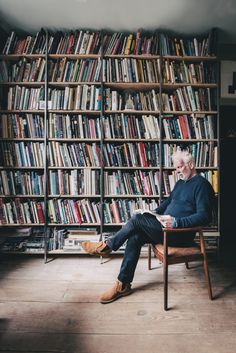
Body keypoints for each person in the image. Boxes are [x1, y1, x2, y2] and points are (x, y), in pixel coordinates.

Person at [81, 149, 215, 304]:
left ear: (191, 164)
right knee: (135, 236)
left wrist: (177, 222)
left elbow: (205, 217)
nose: (177, 171)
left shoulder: (202, 185)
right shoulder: (180, 183)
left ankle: (107, 246)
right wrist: (153, 213)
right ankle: (123, 284)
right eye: (176, 168)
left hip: (180, 233)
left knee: (137, 220)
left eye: (180, 167)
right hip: (165, 228)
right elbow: (168, 203)